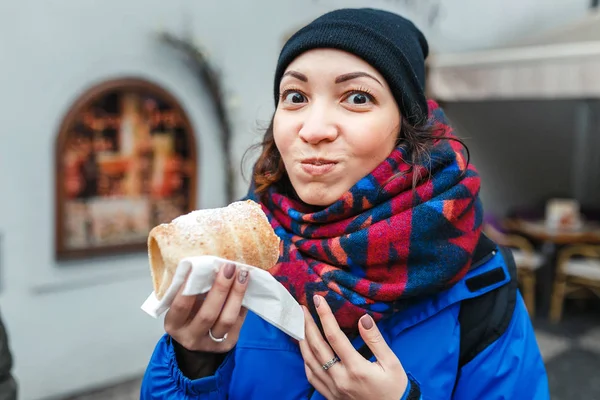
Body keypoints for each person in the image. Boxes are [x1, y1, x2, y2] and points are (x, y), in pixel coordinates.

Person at [141, 8, 550, 399]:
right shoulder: (243, 255)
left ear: (407, 128)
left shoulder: (479, 279)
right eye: (296, 96)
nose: (313, 129)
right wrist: (192, 364)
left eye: (357, 97)